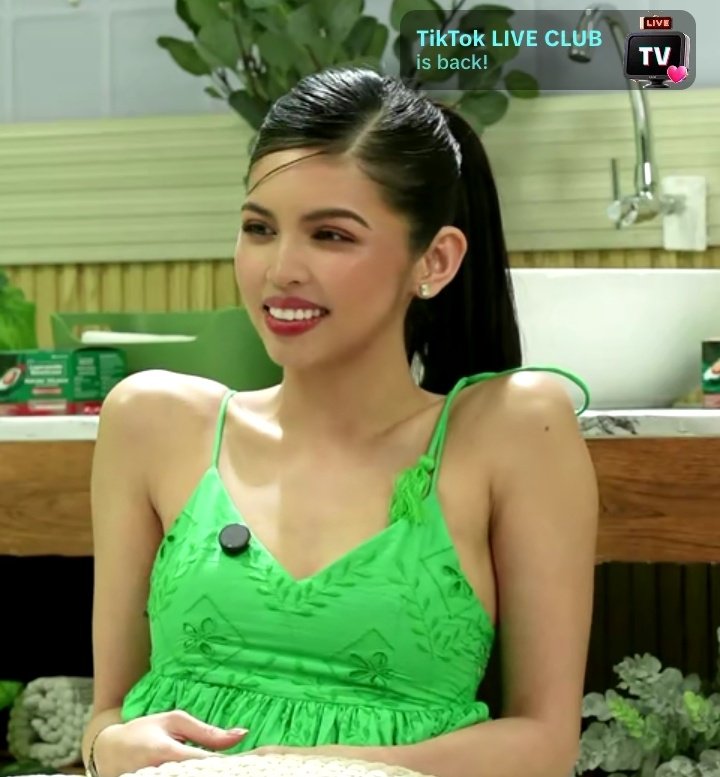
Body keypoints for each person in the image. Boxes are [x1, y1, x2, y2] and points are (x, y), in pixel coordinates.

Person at [81, 66, 598, 777]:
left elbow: (543, 744)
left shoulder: (510, 428)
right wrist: (107, 744)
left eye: (330, 235)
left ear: (435, 260)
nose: (281, 269)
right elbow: (107, 714)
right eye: (259, 229)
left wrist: (284, 767)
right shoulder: (151, 421)